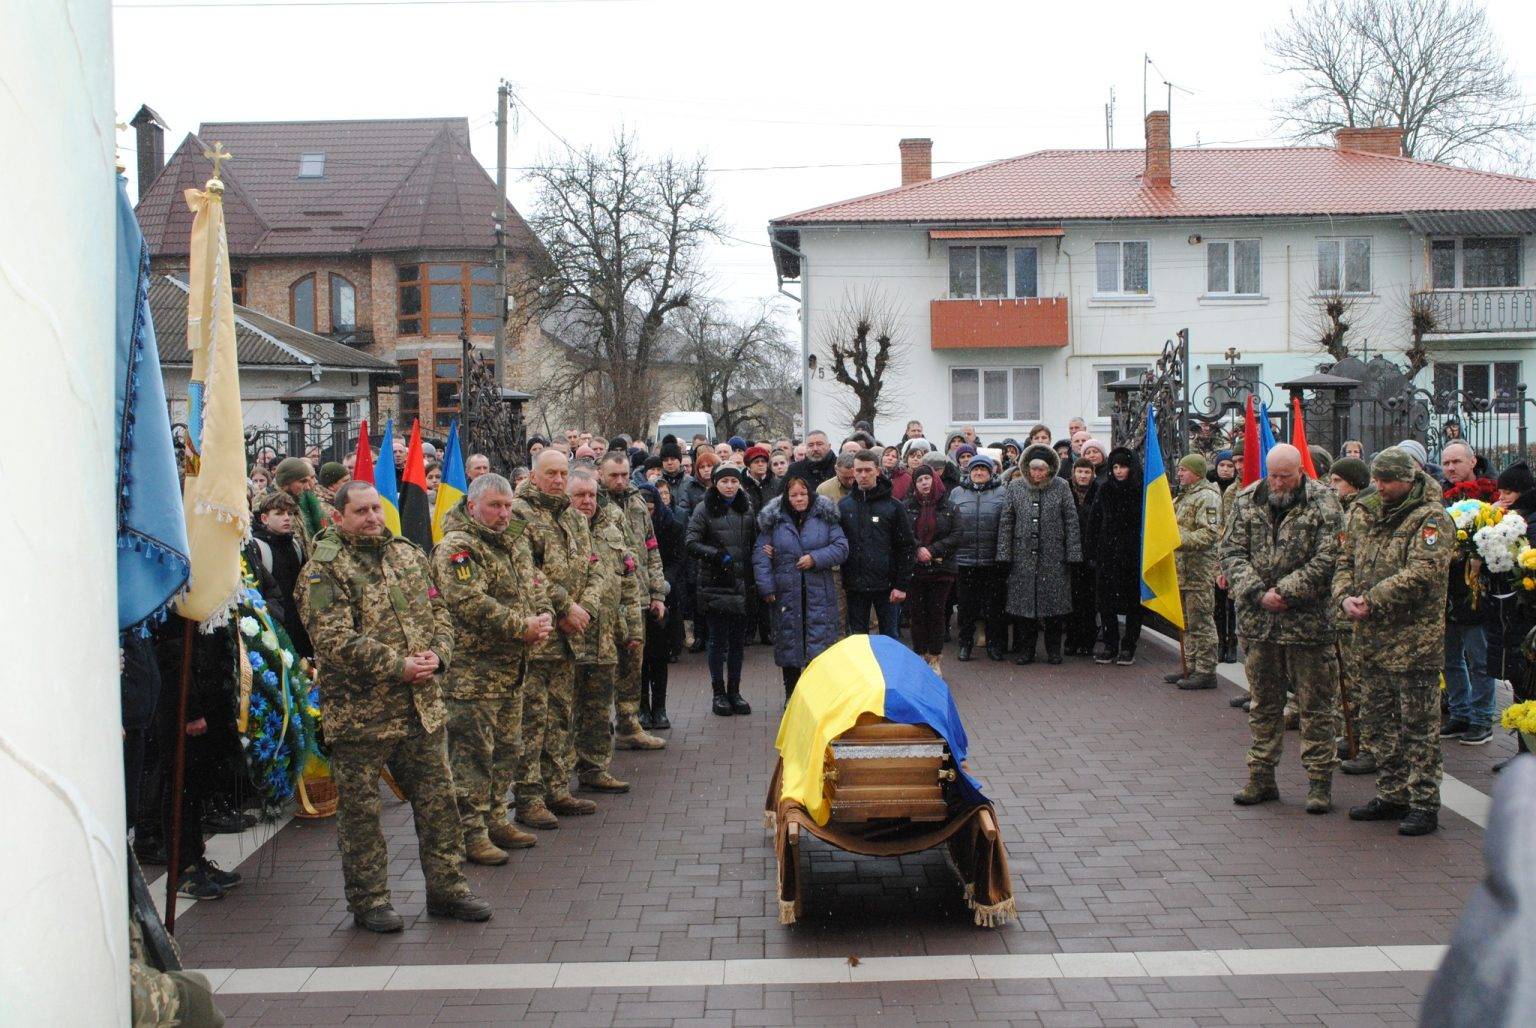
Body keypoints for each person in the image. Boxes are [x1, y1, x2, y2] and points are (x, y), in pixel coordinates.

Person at [296, 481, 491, 932]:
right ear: (338, 517)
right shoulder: (324, 570)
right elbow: (333, 639)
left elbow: (439, 610)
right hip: (361, 716)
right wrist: (396, 665)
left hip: (419, 707)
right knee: (362, 814)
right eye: (360, 511)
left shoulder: (406, 554)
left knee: (439, 802)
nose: (371, 518)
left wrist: (438, 654)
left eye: (375, 510)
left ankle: (448, 888)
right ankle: (370, 900)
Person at [1334, 447, 1455, 836]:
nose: (1380, 487)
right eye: (1377, 480)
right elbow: (1344, 561)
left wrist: (1371, 598)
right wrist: (1344, 597)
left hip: (1414, 642)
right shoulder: (1366, 512)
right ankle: (1391, 793)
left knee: (1418, 726)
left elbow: (1423, 572)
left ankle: (1423, 802)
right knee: (1378, 722)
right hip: (1370, 639)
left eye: (1388, 481)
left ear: (1409, 479)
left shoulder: (1431, 518)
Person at [432, 473, 552, 866]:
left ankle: (497, 818)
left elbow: (534, 584)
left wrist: (544, 617)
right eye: (494, 506)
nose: (503, 514)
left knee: (506, 749)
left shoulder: (511, 541)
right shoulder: (459, 548)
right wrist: (523, 627)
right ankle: (471, 831)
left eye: (507, 506)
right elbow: (468, 601)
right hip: (473, 676)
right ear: (472, 507)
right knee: (473, 758)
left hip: (510, 671)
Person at [1222, 444, 1344, 815]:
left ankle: (1319, 782)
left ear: (1300, 472)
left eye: (1285, 476)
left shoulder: (1324, 501)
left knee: (1316, 706)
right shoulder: (1247, 500)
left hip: (1307, 623)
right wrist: (1259, 593)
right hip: (1259, 623)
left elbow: (1331, 557)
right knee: (1263, 704)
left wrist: (1286, 592)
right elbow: (1230, 552)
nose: (1277, 482)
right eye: (1273, 475)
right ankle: (1261, 776)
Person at [509, 449, 598, 831]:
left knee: (561, 715)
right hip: (541, 634)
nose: (559, 480)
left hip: (570, 637)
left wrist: (585, 609)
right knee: (532, 720)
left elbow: (594, 566)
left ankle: (557, 788)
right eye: (551, 473)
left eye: (563, 473)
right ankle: (529, 797)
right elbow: (526, 570)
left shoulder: (573, 517)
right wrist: (564, 608)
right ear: (534, 476)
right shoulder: (519, 515)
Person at [568, 467, 646, 797]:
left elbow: (628, 577)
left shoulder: (611, 525)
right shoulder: (559, 528)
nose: (587, 501)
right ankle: (560, 774)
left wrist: (632, 628)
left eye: (591, 495)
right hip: (570, 637)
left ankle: (595, 768)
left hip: (606, 637)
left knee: (600, 708)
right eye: (579, 496)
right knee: (567, 709)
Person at [754, 476, 849, 700]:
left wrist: (815, 558)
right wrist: (767, 587)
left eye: (803, 494)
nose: (799, 499)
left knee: (819, 643)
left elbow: (841, 547)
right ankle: (792, 695)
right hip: (786, 592)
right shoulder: (774, 521)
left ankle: (817, 696)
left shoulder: (825, 517)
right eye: (794, 495)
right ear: (786, 497)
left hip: (818, 592)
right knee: (790, 643)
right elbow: (760, 555)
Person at [597, 453, 668, 750]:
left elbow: (651, 550)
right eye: (614, 475)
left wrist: (656, 593)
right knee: (602, 667)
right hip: (604, 600)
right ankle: (598, 732)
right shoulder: (593, 504)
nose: (620, 480)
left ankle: (629, 722)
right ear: (602, 474)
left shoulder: (638, 503)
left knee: (632, 664)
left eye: (624, 474)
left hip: (636, 598)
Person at [997, 444, 1080, 665]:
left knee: (1053, 608)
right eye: (1034, 469)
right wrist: (1004, 554)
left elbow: (1071, 521)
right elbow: (1006, 522)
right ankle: (1027, 651)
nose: (1037, 474)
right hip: (1022, 557)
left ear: (1050, 469)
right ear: (1026, 468)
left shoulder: (1062, 486)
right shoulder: (1015, 487)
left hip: (1054, 558)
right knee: (1025, 610)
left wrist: (1073, 553)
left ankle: (1054, 651)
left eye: (1042, 470)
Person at [1439, 441, 1497, 746]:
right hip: (1446, 589)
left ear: (1472, 461)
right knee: (1450, 658)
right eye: (1446, 462)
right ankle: (1459, 712)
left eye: (1456, 462)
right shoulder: (1439, 496)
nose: (1450, 468)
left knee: (1479, 658)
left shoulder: (1491, 495)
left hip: (1477, 591)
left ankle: (1481, 717)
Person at [687, 465, 756, 716]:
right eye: (724, 481)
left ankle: (734, 691)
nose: (729, 485)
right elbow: (691, 542)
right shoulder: (704, 509)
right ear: (715, 483)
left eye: (733, 481)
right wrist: (717, 555)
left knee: (737, 643)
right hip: (715, 583)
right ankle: (718, 693)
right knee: (717, 642)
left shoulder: (746, 507)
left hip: (742, 584)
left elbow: (754, 541)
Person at [839, 449, 916, 639]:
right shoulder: (844, 506)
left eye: (868, 470)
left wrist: (901, 585)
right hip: (855, 585)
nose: (863, 475)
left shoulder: (894, 506)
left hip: (887, 587)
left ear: (878, 471)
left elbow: (906, 546)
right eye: (859, 470)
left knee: (889, 638)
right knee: (857, 640)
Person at [1490, 463, 1536, 768]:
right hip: (1515, 613)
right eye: (1501, 491)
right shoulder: (1512, 517)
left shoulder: (1529, 521)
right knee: (1521, 684)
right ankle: (1524, 751)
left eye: (1508, 491)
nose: (1503, 497)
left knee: (1529, 682)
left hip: (1527, 611)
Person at [1166, 453, 1222, 689]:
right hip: (1182, 570)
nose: (1179, 473)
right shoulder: (1184, 497)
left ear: (1197, 473)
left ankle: (1206, 670)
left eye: (1183, 470)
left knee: (1201, 622)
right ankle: (1190, 665)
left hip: (1198, 571)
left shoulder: (1207, 497)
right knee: (1186, 622)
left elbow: (1209, 533)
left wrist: (1175, 538)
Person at [1086, 447, 1144, 665]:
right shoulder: (1105, 490)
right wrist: (1092, 551)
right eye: (1115, 467)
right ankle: (1110, 644)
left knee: (1132, 604)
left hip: (1132, 556)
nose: (1119, 471)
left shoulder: (1141, 491)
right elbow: (1095, 521)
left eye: (1123, 466)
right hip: (1107, 554)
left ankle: (1129, 645)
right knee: (1106, 602)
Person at [950, 453, 1009, 662]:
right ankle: (965, 644)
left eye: (983, 469)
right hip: (964, 560)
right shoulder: (957, 493)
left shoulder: (1002, 492)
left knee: (994, 607)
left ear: (990, 472)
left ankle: (994, 645)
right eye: (975, 469)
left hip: (992, 560)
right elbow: (950, 524)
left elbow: (1007, 524)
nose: (979, 472)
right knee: (966, 607)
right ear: (969, 471)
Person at [904, 464, 958, 672]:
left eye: (927, 478)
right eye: (919, 480)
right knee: (917, 614)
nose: (924, 483)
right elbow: (904, 533)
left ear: (934, 480)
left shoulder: (950, 507)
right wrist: (918, 549)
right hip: (915, 569)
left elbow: (956, 535)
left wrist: (933, 550)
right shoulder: (907, 506)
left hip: (941, 569)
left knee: (936, 613)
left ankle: (935, 657)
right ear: (915, 485)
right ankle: (919, 655)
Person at [637, 482, 682, 728]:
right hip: (638, 597)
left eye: (652, 509)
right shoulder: (630, 527)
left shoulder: (672, 526)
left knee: (659, 655)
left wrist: (664, 584)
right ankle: (643, 707)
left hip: (665, 595)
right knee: (641, 657)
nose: (648, 514)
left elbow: (677, 560)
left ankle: (660, 707)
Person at [248, 491, 313, 658]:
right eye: (279, 513)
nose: (286, 518)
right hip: (275, 624)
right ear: (264, 518)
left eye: (289, 513)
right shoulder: (257, 547)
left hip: (298, 622)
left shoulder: (295, 545)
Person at [1064, 458, 1099, 656]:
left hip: (1091, 554)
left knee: (1089, 601)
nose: (1083, 476)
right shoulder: (1066, 491)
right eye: (1080, 472)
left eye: (1087, 472)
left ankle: (1088, 640)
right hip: (1071, 553)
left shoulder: (1099, 491)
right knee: (1072, 600)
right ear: (1074, 473)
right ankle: (1072, 638)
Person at [1209, 449, 1240, 664]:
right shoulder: (1211, 488)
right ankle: (1220, 642)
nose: (1226, 469)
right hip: (1214, 553)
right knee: (1218, 603)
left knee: (1233, 603)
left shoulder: (1239, 489)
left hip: (1234, 550)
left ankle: (1232, 643)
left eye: (1230, 466)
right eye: (1223, 466)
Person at [274, 456, 327, 547]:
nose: (308, 487)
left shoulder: (301, 506)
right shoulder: (274, 511)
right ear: (286, 483)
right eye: (303, 482)